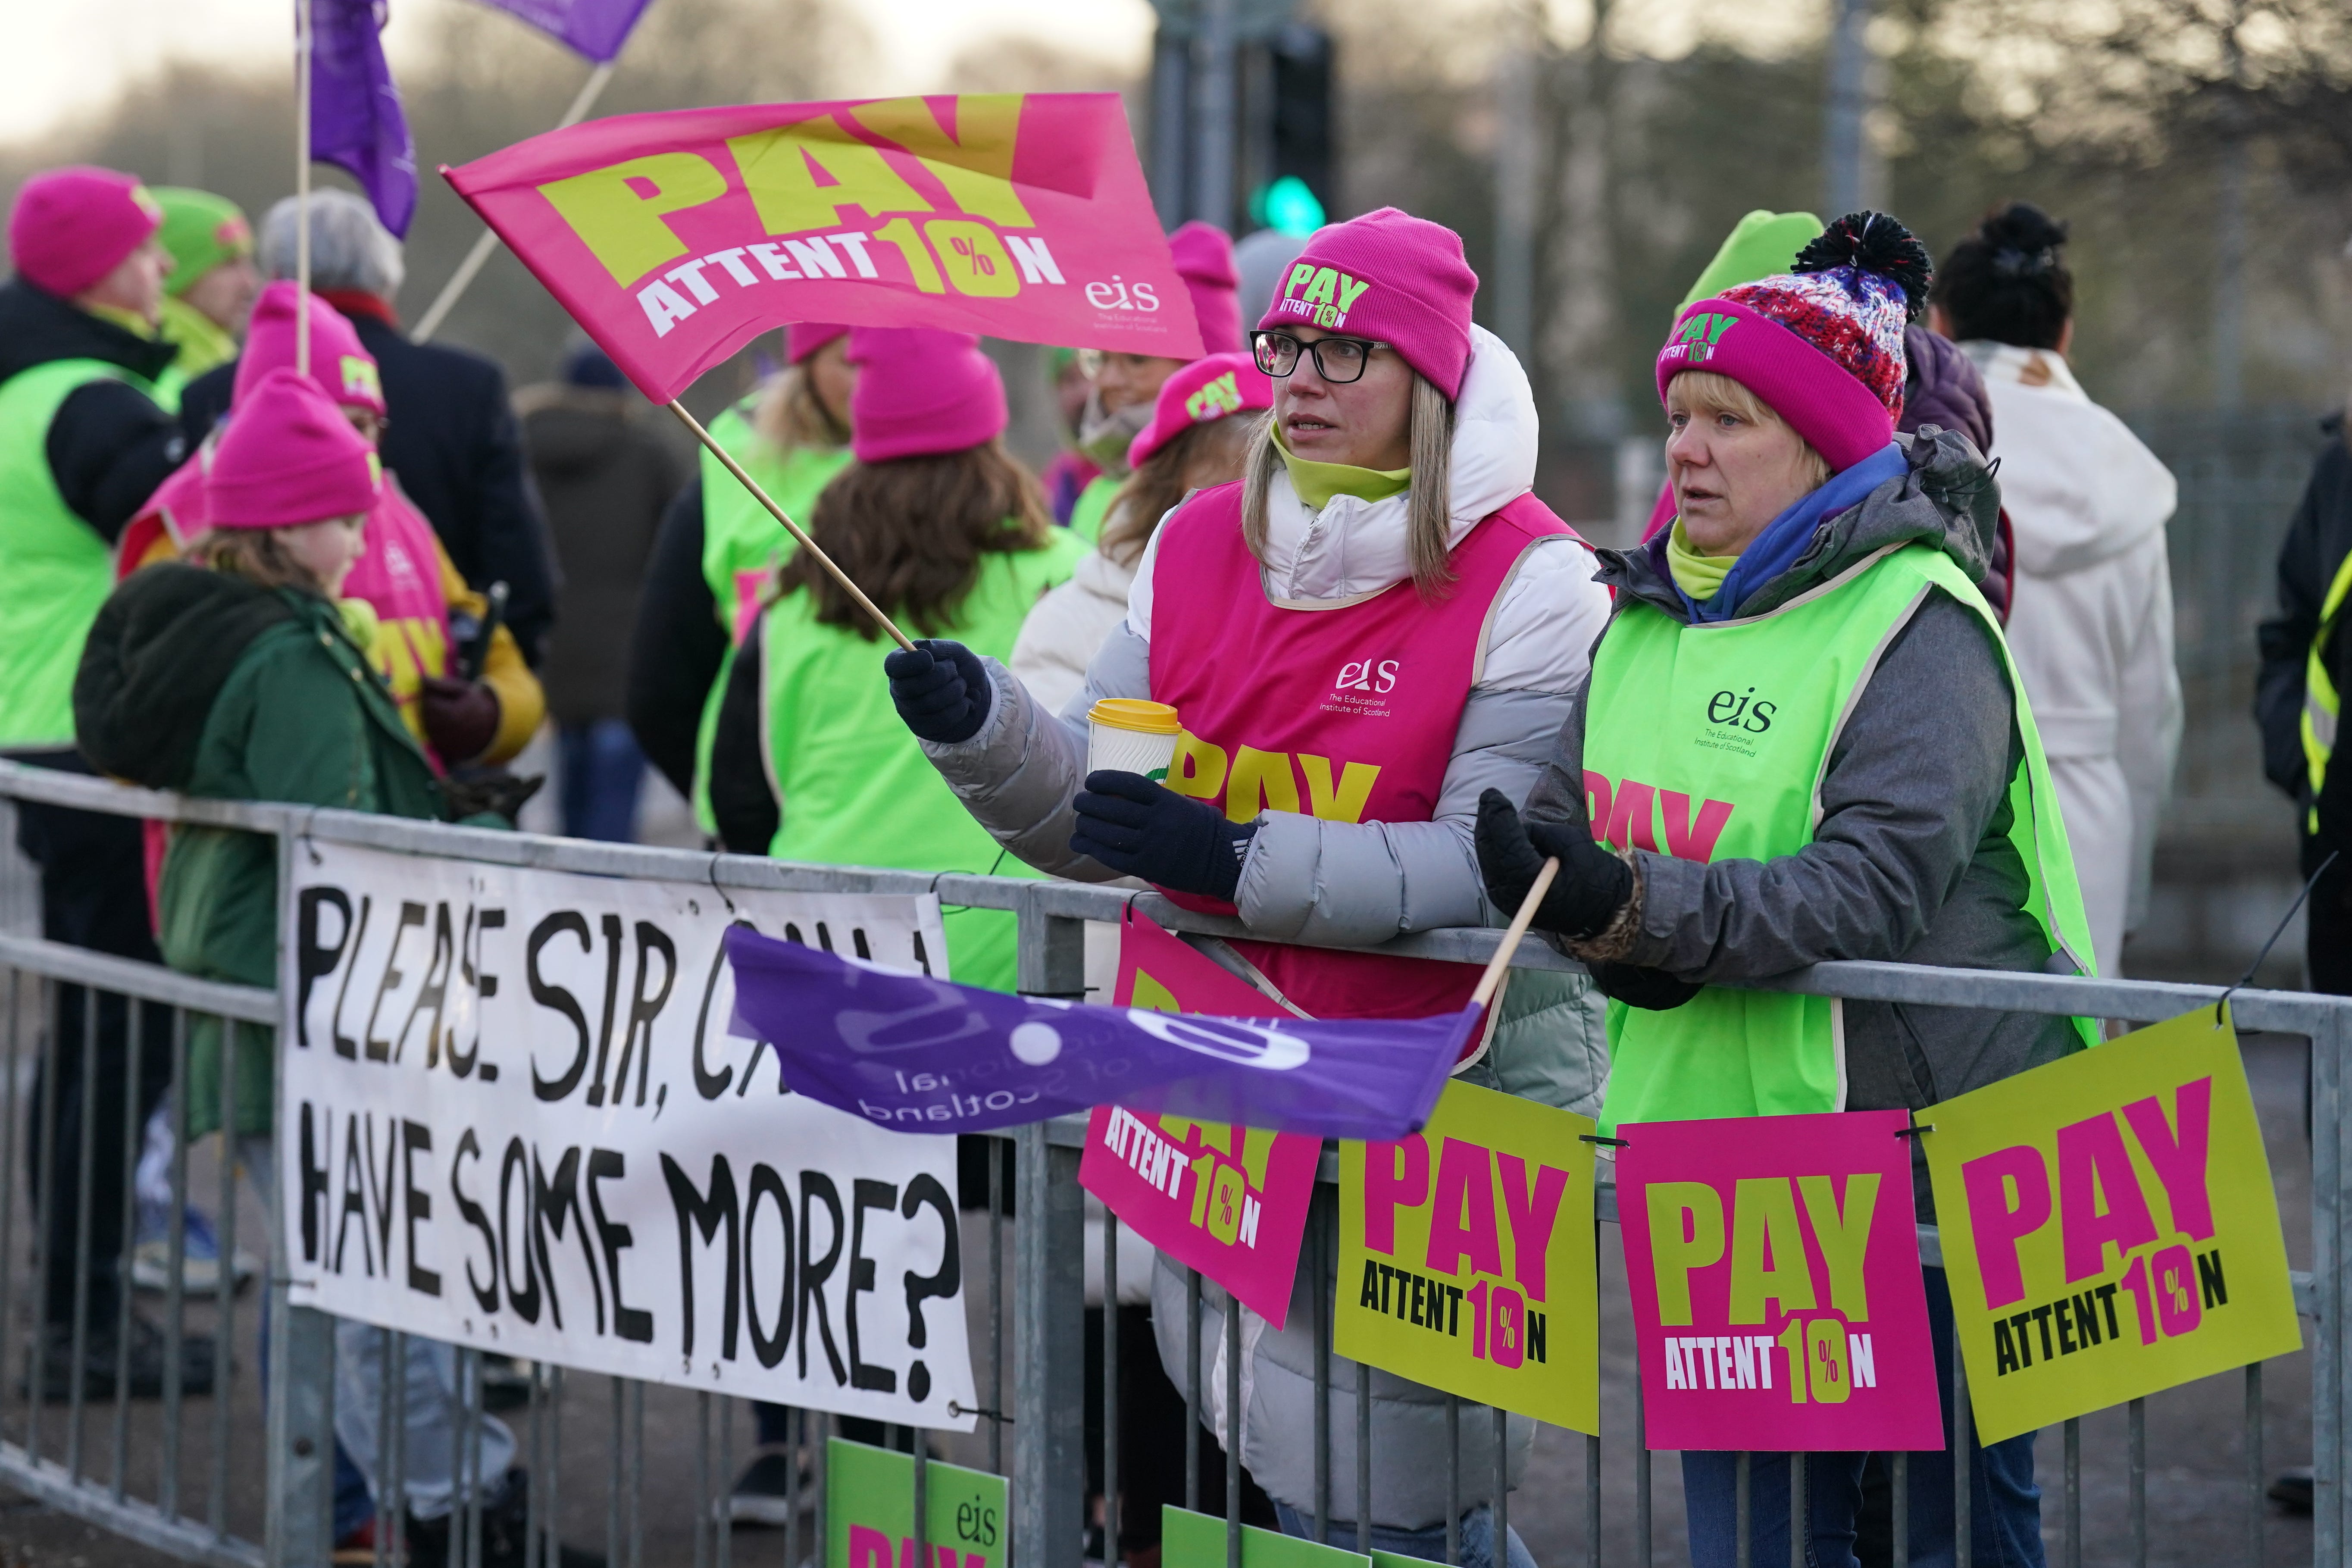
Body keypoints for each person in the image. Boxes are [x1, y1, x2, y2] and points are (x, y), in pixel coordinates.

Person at [889, 207, 1613, 1568]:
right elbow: (1098, 821)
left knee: (1397, 1507)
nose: (1301, 381)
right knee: (1288, 1488)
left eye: (1345, 353)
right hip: (1231, 1092)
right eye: (1287, 345)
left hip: (1439, 1107)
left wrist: (1228, 859)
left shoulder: (1538, 580)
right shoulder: (1196, 543)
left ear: (1433, 380)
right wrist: (981, 727)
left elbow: (1487, 859)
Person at [1474, 212, 2097, 1568]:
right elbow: (1577, 815)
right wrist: (1562, 885)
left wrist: (1631, 911)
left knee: (1951, 1538)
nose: (1682, 448)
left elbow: (1868, 886)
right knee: (1761, 1540)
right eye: (1677, 413)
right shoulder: (1647, 613)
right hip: (1735, 1172)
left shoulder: (1918, 617)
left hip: (1929, 1151)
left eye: (1727, 420)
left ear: (1821, 443)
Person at [72, 367, 583, 1568]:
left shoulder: (202, 617)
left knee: (345, 1282)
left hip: (267, 994)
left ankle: (382, 1514)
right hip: (325, 1012)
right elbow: (340, 846)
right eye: (347, 514)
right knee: (391, 1283)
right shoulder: (292, 655)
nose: (366, 535)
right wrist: (478, 838)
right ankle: (462, 1520)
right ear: (285, 525)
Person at [703, 328, 1082, 1520]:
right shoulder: (1067, 575)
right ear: (995, 453)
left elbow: (741, 788)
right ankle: (1074, 1500)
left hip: (842, 982)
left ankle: (894, 1509)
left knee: (870, 1270)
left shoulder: (793, 608)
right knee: (1063, 1265)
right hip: (1012, 983)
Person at [0, 164, 205, 1400]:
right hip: (100, 735)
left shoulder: (39, 382)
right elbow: (183, 513)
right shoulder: (87, 398)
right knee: (115, 1043)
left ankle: (78, 1307)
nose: (161, 271)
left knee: (90, 1039)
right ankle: (81, 1323)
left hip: (50, 729)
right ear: (90, 273)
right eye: (141, 253)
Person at [122, 281, 542, 772]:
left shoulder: (399, 512)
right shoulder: (187, 531)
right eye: (339, 426)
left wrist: (493, 714)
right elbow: (132, 734)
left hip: (409, 824)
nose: (361, 449)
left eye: (370, 427)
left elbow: (503, 660)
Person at [1934, 201, 2181, 981]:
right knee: (2072, 1075)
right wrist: (2131, 889)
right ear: (2064, 333)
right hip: (2085, 810)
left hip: (1938, 801)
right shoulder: (2127, 474)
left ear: (1937, 322)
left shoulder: (1920, 454)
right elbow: (2152, 711)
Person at [177, 189, 559, 666]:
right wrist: (494, 687)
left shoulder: (209, 394)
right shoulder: (467, 386)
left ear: (276, 274)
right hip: (433, 679)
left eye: (366, 427)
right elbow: (519, 564)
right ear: (386, 275)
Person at [624, 322, 853, 836]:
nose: (870, 381)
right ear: (807, 366)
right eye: (849, 360)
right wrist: (732, 798)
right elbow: (661, 685)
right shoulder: (732, 469)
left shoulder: (938, 484)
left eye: (886, 363)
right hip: (763, 818)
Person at [1011, 351, 1273, 713]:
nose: (1251, 514)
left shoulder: (1330, 605)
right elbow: (1057, 756)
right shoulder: (1078, 618)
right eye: (1220, 493)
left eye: (1274, 486)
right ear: (1164, 492)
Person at [518, 340, 682, 840]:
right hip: (624, 658)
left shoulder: (521, 447)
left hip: (554, 651)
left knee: (566, 804)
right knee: (612, 818)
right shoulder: (648, 455)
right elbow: (676, 558)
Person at [1066, 221, 1243, 543]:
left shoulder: (1237, 490)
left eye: (1137, 360)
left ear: (1202, 371)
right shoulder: (1097, 489)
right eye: (1100, 358)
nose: (1108, 381)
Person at [150, 187, 259, 388]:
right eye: (229, 264)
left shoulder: (218, 359)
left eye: (247, 263)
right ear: (172, 269)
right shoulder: (154, 366)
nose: (249, 283)